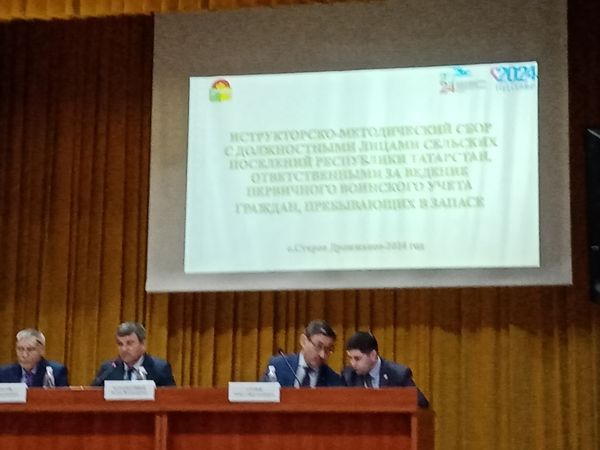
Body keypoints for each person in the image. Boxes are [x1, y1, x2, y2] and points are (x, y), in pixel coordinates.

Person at [342, 331, 429, 408]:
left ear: (373, 355)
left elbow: (421, 404)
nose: (353, 363)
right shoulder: (349, 376)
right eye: (350, 358)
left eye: (357, 358)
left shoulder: (397, 374)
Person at [261, 319, 342, 387]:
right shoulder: (278, 366)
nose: (322, 355)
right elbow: (262, 396)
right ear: (303, 341)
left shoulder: (333, 379)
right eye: (318, 346)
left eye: (328, 349)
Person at [91, 322, 175, 386]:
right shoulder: (108, 369)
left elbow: (171, 399)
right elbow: (92, 395)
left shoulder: (159, 369)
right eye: (120, 344)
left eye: (129, 343)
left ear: (143, 344)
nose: (124, 349)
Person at [0, 328, 69, 387]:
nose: (24, 355)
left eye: (30, 349)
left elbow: (64, 397)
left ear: (41, 350)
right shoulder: (4, 373)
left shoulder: (55, 372)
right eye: (20, 349)